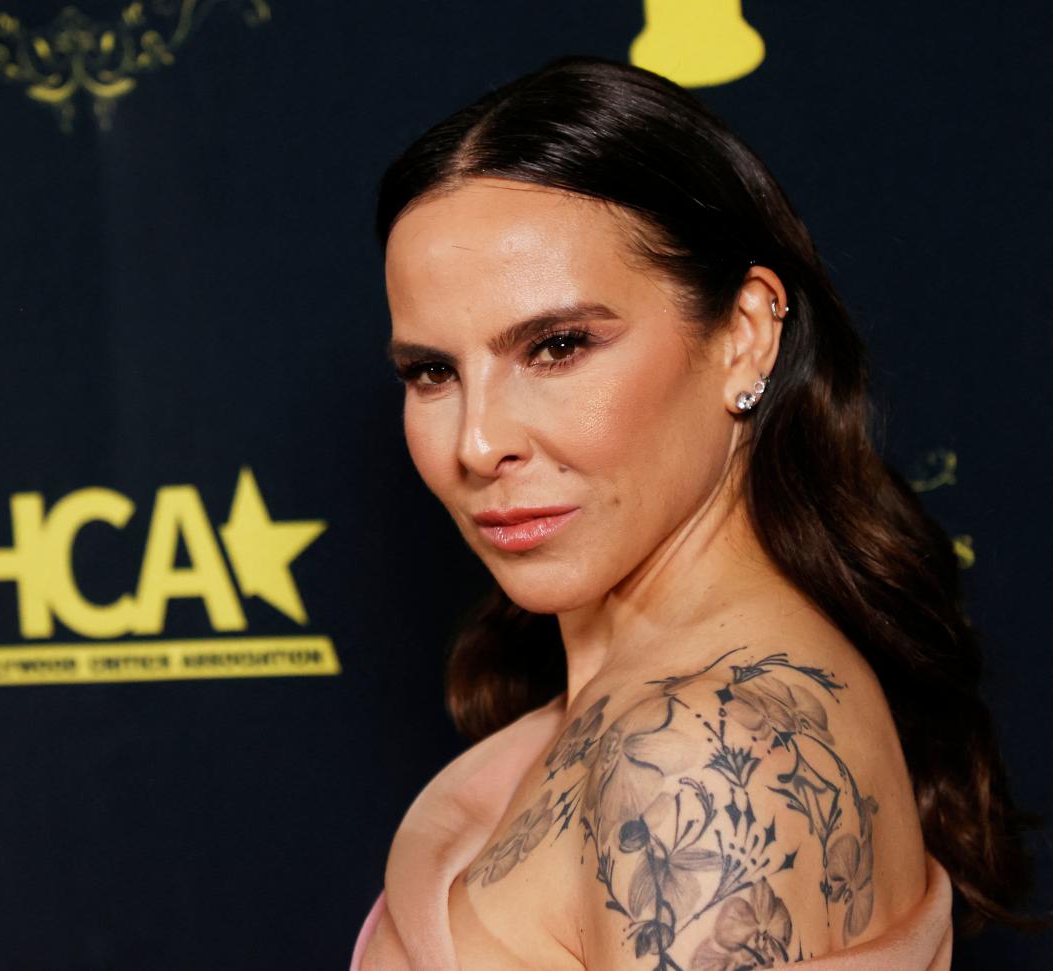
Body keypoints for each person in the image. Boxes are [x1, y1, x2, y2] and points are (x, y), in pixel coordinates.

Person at [353, 56, 1031, 970]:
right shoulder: (680, 699)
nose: (477, 442)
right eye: (432, 371)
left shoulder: (694, 758)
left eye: (557, 346)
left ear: (745, 333)